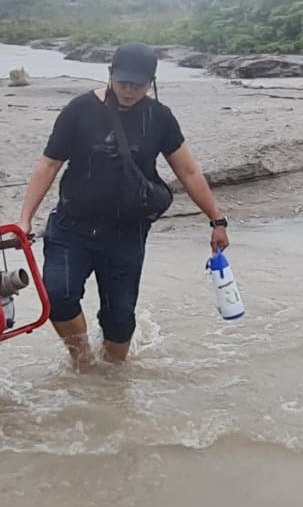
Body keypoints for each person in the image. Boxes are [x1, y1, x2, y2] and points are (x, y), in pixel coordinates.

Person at [17, 42, 230, 369]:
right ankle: (82, 362)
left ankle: (112, 381)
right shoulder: (79, 110)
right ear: (110, 75)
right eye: (123, 82)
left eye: (138, 84)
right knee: (57, 297)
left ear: (152, 81)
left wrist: (217, 220)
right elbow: (49, 165)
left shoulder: (160, 118)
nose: (129, 90)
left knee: (119, 318)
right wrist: (25, 219)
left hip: (126, 233)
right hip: (72, 227)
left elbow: (188, 171)